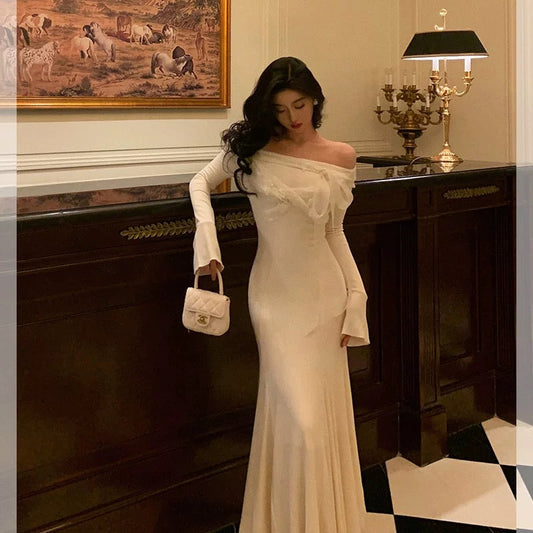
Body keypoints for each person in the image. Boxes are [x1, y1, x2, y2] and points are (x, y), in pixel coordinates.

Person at [189, 56, 370, 533]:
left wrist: (357, 295)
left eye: (301, 105)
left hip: (325, 297)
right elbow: (200, 182)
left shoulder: (341, 156)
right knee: (299, 420)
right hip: (273, 299)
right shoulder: (252, 150)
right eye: (281, 108)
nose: (293, 117)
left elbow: (334, 232)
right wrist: (207, 242)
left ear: (316, 101)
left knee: (315, 421)